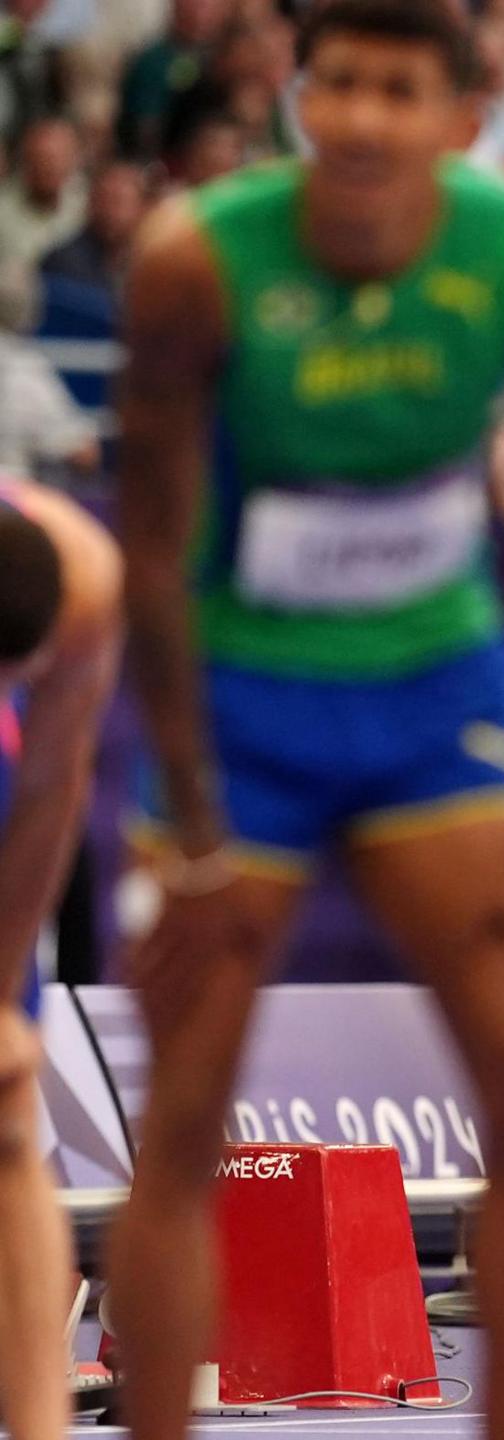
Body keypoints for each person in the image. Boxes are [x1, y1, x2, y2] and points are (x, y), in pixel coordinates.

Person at [101, 0, 504, 1434]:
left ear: (462, 121)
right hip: (239, 697)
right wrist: (191, 814)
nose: (365, 120)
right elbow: (147, 551)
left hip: (433, 694)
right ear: (297, 98)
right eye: (339, 85)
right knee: (184, 1121)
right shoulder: (193, 262)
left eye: (401, 92)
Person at [0, 486, 120, 1440]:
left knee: (7, 1105)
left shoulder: (83, 583)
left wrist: (4, 995)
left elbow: (48, 796)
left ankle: (37, 1421)